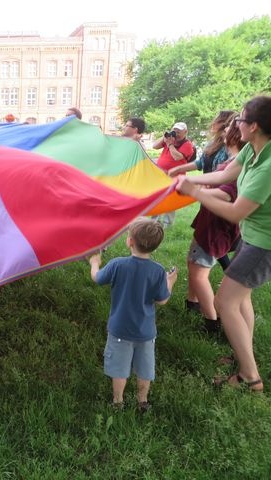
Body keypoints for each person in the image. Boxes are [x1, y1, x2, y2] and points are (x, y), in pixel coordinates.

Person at [176, 95, 271, 392]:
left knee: (224, 300)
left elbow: (235, 211)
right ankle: (243, 354)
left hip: (264, 245)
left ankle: (249, 377)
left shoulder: (268, 166)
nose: (236, 125)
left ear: (253, 126)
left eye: (240, 120)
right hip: (252, 236)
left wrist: (194, 192)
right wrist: (189, 178)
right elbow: (225, 174)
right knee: (241, 298)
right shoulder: (254, 151)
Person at [88, 218, 177, 411]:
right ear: (156, 246)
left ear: (129, 241)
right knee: (145, 369)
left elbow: (97, 278)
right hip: (145, 333)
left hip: (119, 330)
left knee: (119, 369)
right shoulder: (158, 271)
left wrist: (95, 263)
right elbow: (162, 300)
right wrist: (170, 282)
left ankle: (118, 401)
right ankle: (142, 402)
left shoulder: (117, 264)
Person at [176, 117, 245, 330]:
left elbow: (227, 194)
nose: (225, 129)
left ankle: (211, 321)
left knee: (199, 272)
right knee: (195, 264)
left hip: (215, 225)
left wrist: (196, 191)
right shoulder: (236, 159)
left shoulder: (238, 162)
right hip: (212, 222)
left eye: (231, 126)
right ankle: (193, 304)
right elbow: (217, 179)